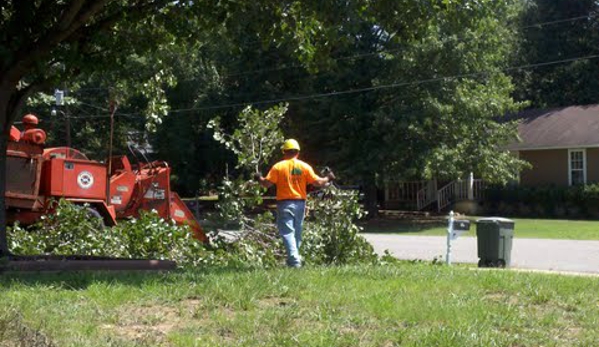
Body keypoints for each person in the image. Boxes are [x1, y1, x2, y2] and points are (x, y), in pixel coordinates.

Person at [254, 139, 335, 268]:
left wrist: (259, 178)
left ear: (284, 152)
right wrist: (329, 177)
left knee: (287, 232)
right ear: (297, 152)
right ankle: (293, 261)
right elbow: (319, 183)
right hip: (300, 204)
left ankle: (294, 260)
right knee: (297, 233)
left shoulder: (278, 167)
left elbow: (266, 184)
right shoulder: (304, 166)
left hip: (284, 203)